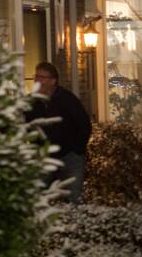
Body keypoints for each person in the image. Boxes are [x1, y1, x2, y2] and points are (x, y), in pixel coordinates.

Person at [25, 62, 92, 204]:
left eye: (41, 77)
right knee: (37, 197)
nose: (37, 81)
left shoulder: (67, 100)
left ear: (53, 81)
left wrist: (77, 149)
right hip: (44, 158)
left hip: (70, 157)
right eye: (35, 77)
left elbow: (84, 125)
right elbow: (25, 126)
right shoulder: (31, 102)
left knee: (73, 197)